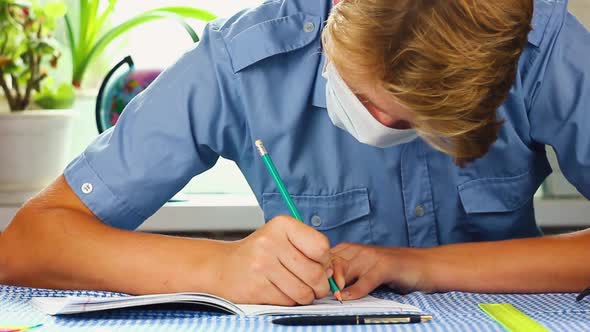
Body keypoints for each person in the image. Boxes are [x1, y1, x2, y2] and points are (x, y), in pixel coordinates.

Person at [0, 0, 589, 305]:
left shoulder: (540, 46)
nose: (382, 125)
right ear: (337, 22)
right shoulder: (239, 63)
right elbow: (29, 241)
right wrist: (219, 268)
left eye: (420, 123)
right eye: (364, 96)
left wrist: (416, 266)